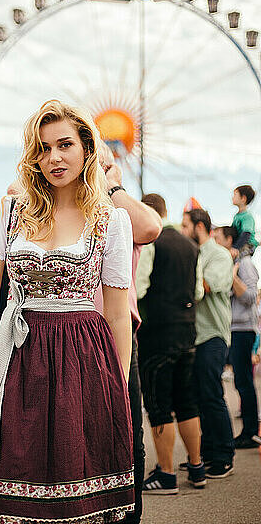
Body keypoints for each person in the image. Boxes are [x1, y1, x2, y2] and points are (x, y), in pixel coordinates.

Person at [0, 100, 135, 524]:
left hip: (83, 360)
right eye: (44, 148)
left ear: (87, 148)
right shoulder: (11, 212)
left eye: (65, 144)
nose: (54, 157)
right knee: (13, 477)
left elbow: (118, 314)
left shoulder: (112, 221)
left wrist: (117, 387)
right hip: (14, 355)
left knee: (77, 484)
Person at [97, 142, 162, 524]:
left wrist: (113, 185)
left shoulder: (120, 209)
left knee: (125, 432)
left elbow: (151, 226)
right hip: (71, 327)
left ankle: (127, 516)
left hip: (118, 330)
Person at [135, 194, 205, 494]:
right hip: (187, 330)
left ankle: (165, 473)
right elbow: (199, 290)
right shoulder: (190, 245)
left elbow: (138, 287)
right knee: (187, 402)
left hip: (157, 332)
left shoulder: (151, 240)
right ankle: (197, 466)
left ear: (148, 212)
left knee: (159, 403)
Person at [181, 209, 235, 478]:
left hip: (213, 335)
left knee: (212, 395)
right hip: (195, 336)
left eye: (185, 225)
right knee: (199, 396)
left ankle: (224, 454)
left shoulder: (219, 255)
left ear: (199, 226)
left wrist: (176, 280)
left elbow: (205, 286)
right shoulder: (195, 253)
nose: (182, 230)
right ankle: (208, 451)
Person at [214, 226, 261, 448]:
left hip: (244, 330)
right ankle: (248, 430)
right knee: (241, 382)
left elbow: (252, 297)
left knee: (245, 383)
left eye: (219, 239)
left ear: (230, 240)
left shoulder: (246, 265)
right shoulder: (230, 263)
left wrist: (233, 277)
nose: (216, 242)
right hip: (234, 330)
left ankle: (251, 432)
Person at [231, 185, 258, 257]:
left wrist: (235, 247)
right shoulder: (237, 216)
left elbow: (246, 234)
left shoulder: (247, 216)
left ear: (243, 198)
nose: (232, 197)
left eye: (235, 195)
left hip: (248, 245)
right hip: (239, 243)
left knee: (237, 258)